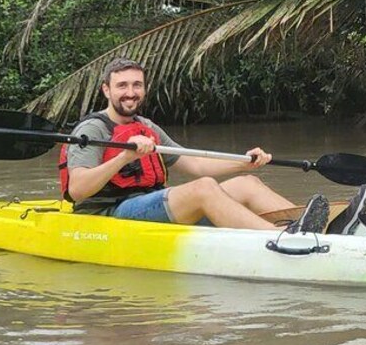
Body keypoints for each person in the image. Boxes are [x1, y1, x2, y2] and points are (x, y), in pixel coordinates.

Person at [59, 58, 329, 233]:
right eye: (122, 86)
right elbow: (78, 189)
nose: (131, 92)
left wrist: (244, 160)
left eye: (137, 85)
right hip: (109, 214)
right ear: (107, 90)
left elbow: (196, 164)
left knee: (247, 182)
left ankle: (312, 229)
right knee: (204, 189)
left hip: (147, 203)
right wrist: (122, 158)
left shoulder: (148, 127)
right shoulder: (92, 129)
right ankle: (284, 237)